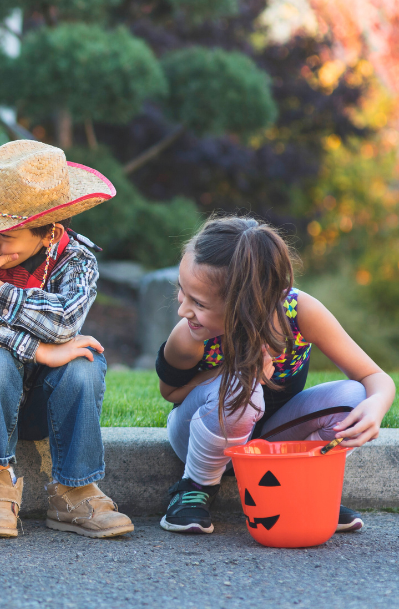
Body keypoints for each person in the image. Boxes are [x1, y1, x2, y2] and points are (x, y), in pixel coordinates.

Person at [0, 139, 133, 539]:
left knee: (81, 360)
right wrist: (40, 350)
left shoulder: (77, 260)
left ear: (48, 232)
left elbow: (63, 324)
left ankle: (74, 492)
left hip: (42, 406)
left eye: (6, 237)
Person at [157, 215, 394, 534]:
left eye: (198, 302)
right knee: (243, 387)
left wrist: (376, 407)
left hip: (267, 439)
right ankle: (194, 487)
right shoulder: (189, 336)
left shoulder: (300, 314)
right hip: (199, 432)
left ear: (246, 303)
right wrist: (234, 371)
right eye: (181, 291)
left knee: (354, 399)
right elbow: (170, 394)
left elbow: (375, 378)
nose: (183, 310)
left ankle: (301, 484)